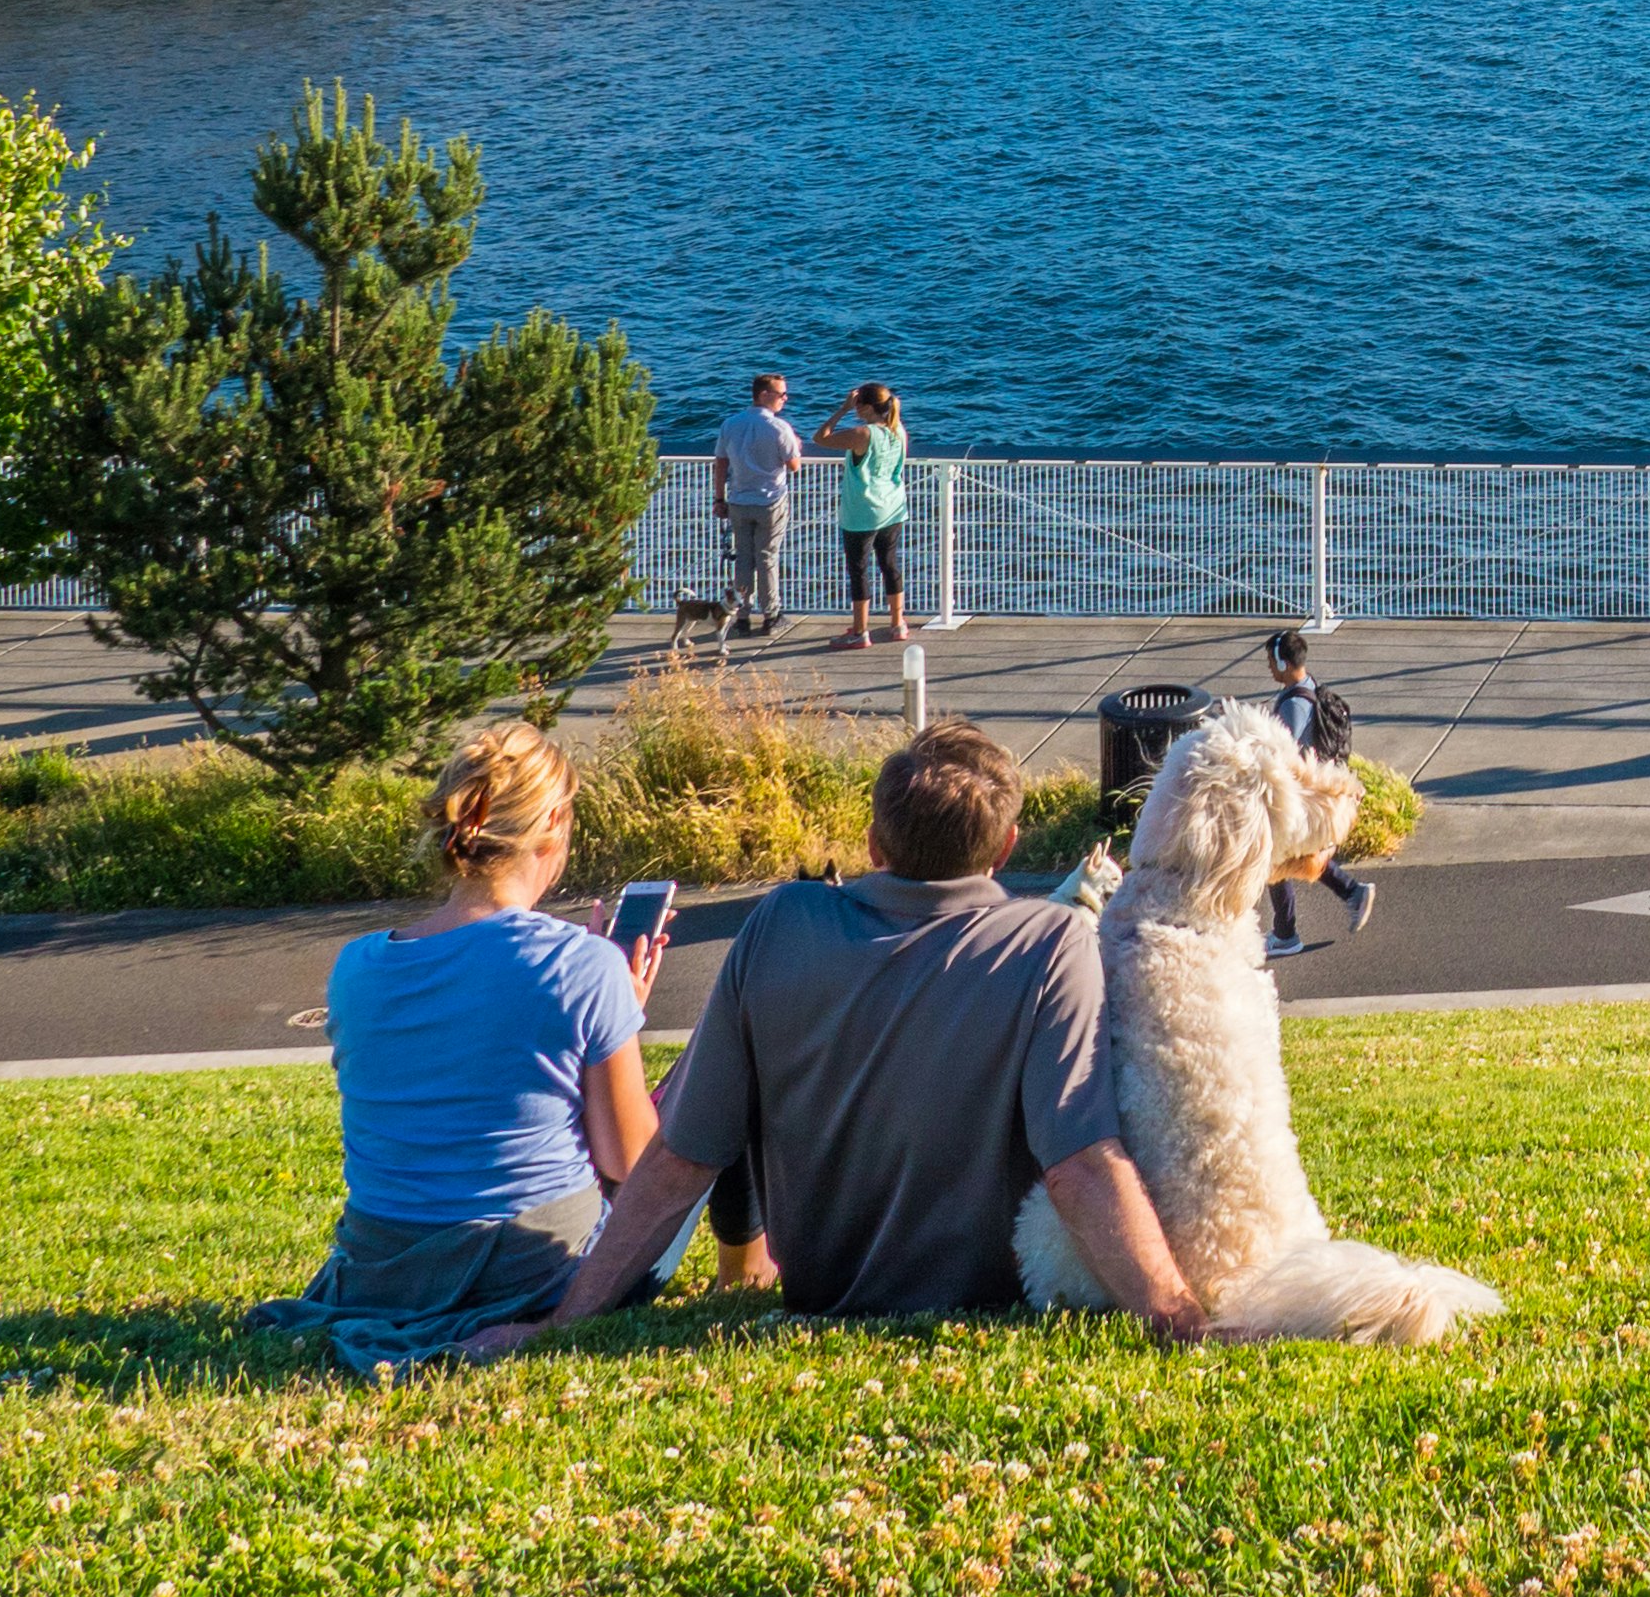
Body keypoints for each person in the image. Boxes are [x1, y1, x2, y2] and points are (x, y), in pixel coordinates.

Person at [468, 721, 1211, 1349]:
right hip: (993, 1304)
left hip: (820, 1297)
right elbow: (1078, 1166)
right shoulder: (1049, 942)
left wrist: (566, 1322)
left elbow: (681, 1161)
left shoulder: (781, 924)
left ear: (873, 843)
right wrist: (1179, 1317)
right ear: (1007, 846)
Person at [249, 727, 696, 1369]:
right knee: (708, 1093)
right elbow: (631, 1164)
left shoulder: (358, 967)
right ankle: (750, 1279)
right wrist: (616, 1003)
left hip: (379, 1271)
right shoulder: (583, 965)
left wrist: (607, 1000)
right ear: (552, 823)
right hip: (531, 1271)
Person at [1251, 630, 1379, 959]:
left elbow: (1287, 755)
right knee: (1298, 858)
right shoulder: (1311, 688)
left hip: (1299, 798)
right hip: (1312, 796)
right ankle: (1352, 893)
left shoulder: (1294, 703)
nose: (1269, 668)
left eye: (1271, 661)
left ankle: (1285, 933)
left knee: (1274, 859)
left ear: (1283, 661)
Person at [816, 381, 915, 650]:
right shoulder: (898, 431)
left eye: (858, 404)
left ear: (867, 406)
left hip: (861, 511)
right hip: (892, 506)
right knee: (889, 564)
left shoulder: (862, 434)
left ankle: (860, 631)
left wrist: (842, 409)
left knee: (859, 570)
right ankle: (898, 623)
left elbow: (820, 437)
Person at [710, 373, 799, 638]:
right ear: (764, 395)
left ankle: (742, 616)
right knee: (767, 558)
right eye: (781, 394)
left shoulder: (731, 424)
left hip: (738, 499)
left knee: (743, 560)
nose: (785, 398)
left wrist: (719, 498)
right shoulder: (779, 428)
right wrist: (798, 448)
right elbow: (794, 466)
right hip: (770, 501)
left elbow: (721, 463)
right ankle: (771, 615)